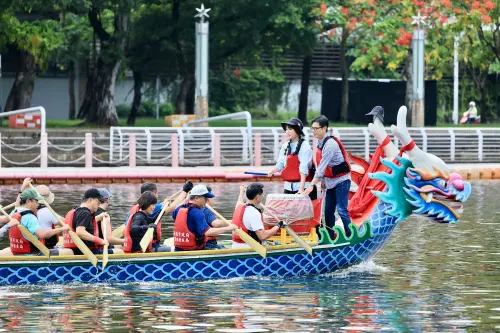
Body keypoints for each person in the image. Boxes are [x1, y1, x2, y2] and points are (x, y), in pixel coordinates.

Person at [303, 115, 353, 240]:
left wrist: (312, 185)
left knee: (341, 210)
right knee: (328, 212)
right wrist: (324, 181)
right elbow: (322, 166)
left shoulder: (330, 144)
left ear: (324, 128)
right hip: (330, 182)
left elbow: (321, 167)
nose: (313, 131)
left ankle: (351, 236)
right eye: (312, 128)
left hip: (342, 181)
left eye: (316, 128)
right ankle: (331, 238)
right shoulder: (320, 143)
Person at [0, 189, 71, 256]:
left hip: (17, 251)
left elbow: (17, 204)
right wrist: (62, 229)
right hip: (33, 254)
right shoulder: (30, 217)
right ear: (28, 202)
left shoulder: (15, 211)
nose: (38, 204)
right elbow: (41, 235)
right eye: (36, 201)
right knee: (69, 252)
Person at [172, 185, 237, 251]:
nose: (207, 200)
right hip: (193, 251)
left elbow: (176, 210)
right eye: (205, 198)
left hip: (178, 249)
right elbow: (208, 232)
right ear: (196, 198)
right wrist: (228, 228)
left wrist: (187, 199)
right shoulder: (198, 213)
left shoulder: (178, 209)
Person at [63, 188, 123, 255]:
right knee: (120, 252)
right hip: (86, 252)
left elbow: (85, 223)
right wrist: (100, 241)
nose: (99, 203)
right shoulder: (85, 213)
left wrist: (97, 218)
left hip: (78, 249)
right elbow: (80, 232)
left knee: (119, 247)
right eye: (98, 200)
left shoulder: (78, 210)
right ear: (90, 200)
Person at [267, 118, 315, 199]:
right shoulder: (285, 146)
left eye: (290, 129)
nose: (287, 132)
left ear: (297, 130)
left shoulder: (305, 146)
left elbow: (303, 168)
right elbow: (281, 164)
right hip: (288, 188)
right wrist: (272, 170)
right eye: (286, 129)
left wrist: (301, 189)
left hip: (303, 187)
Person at [231, 183, 285, 249]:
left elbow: (239, 201)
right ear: (257, 197)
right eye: (262, 195)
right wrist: (278, 225)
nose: (263, 196)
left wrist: (241, 192)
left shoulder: (239, 206)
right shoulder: (254, 212)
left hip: (235, 245)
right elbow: (262, 236)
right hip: (249, 248)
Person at [124, 181, 193, 225]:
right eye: (157, 193)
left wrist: (165, 202)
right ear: (153, 194)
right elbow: (172, 207)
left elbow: (163, 205)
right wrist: (185, 191)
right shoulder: (152, 207)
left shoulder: (138, 206)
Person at [199, 185, 227, 249]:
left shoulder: (195, 209)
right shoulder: (207, 210)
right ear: (208, 198)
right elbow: (216, 224)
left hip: (199, 243)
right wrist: (234, 221)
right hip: (208, 244)